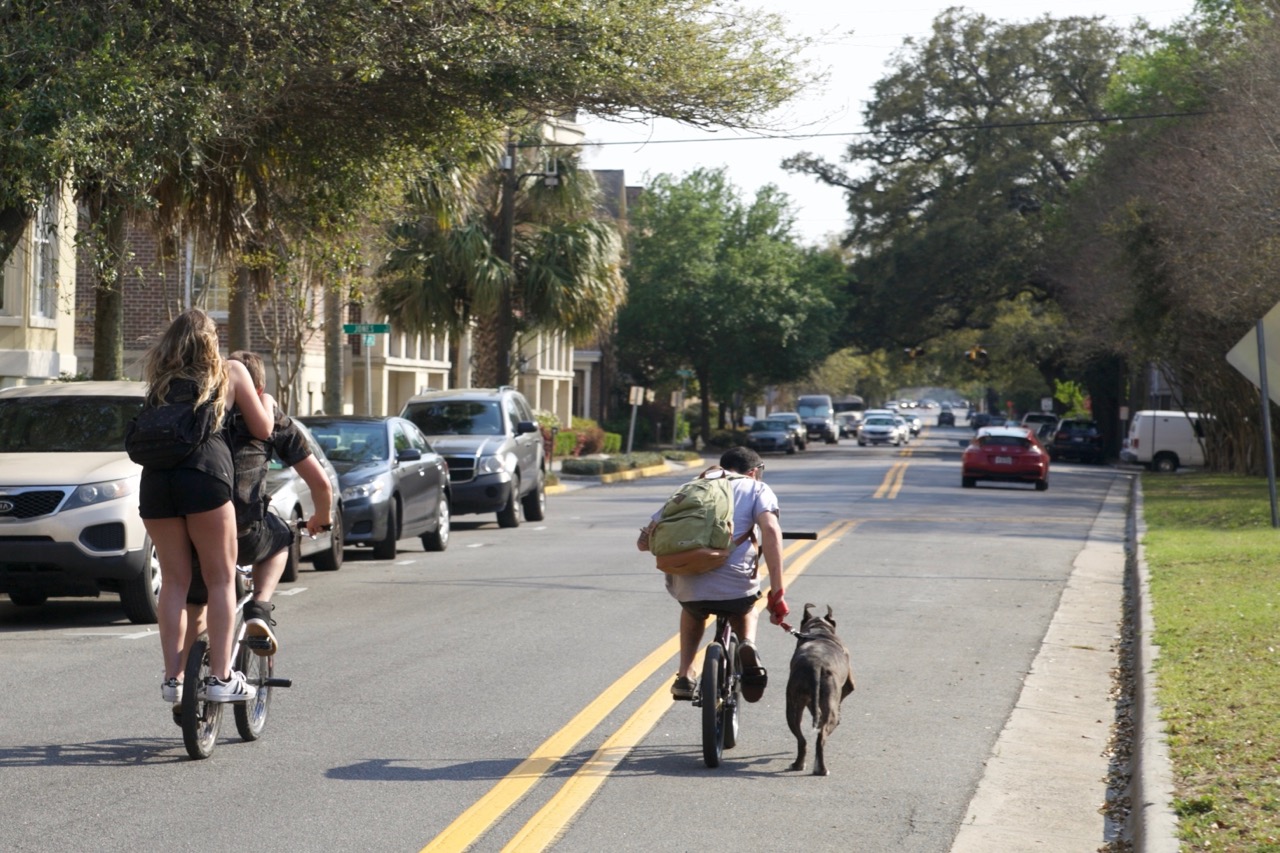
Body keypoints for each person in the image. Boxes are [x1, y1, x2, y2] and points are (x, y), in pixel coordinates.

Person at [138, 309, 274, 707]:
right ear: (210, 341)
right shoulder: (229, 372)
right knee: (218, 580)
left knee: (175, 582)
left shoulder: (159, 381)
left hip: (157, 483)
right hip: (205, 479)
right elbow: (263, 429)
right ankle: (220, 676)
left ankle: (172, 678)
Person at [638, 446, 790, 702]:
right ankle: (747, 645)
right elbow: (771, 531)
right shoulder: (757, 489)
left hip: (689, 584)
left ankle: (685, 673)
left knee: (692, 610)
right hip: (735, 584)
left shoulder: (691, 487)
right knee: (747, 605)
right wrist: (777, 592)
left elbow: (644, 543)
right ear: (753, 472)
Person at [224, 350, 333, 653]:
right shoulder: (272, 422)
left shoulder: (204, 417)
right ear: (258, 389)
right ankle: (259, 606)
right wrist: (322, 519)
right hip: (243, 528)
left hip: (193, 524)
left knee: (199, 597)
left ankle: (186, 680)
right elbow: (321, 483)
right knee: (281, 536)